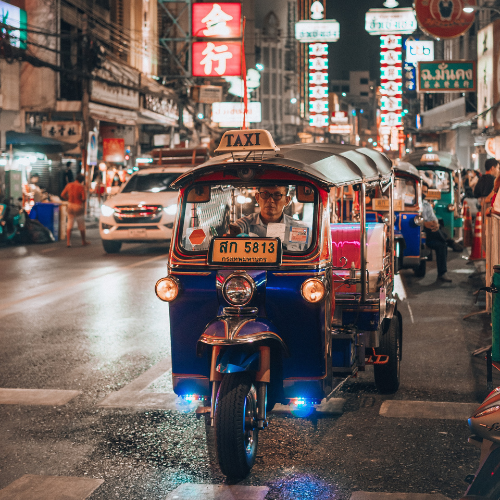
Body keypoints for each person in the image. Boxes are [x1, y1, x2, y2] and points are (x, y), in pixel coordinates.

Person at [229, 185, 309, 250]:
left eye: (277, 195)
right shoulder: (244, 225)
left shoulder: (299, 229)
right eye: (265, 194)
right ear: (257, 197)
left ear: (287, 200)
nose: (270, 200)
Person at [422, 182, 451, 283]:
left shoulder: (427, 205)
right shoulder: (413, 203)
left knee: (442, 245)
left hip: (430, 234)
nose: (423, 193)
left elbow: (434, 220)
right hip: (420, 233)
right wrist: (425, 223)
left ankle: (442, 274)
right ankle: (448, 239)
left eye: (425, 192)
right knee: (442, 239)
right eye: (422, 191)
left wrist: (435, 224)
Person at [61, 173, 90, 247]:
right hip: (78, 206)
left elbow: (62, 194)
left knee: (69, 223)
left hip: (70, 205)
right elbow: (84, 198)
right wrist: (80, 201)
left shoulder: (69, 185)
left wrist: (69, 199)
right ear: (82, 180)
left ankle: (68, 242)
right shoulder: (81, 187)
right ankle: (83, 241)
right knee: (81, 224)